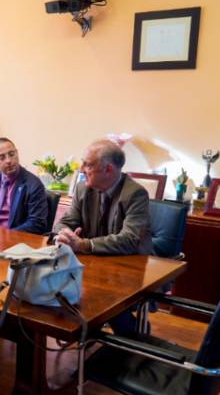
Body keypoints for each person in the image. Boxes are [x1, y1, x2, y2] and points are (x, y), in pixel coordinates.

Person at [53, 139, 153, 334]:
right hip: (94, 265)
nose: (81, 169)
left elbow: (129, 239)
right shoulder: (83, 188)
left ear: (108, 169)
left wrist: (84, 245)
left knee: (103, 301)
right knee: (57, 290)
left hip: (127, 268)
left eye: (88, 165)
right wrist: (64, 235)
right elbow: (64, 222)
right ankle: (87, 335)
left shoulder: (135, 194)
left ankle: (131, 335)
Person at [0, 137, 48, 234]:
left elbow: (37, 223)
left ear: (17, 153)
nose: (8, 160)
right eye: (2, 157)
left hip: (14, 238)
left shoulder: (34, 184)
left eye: (11, 154)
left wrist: (8, 235)